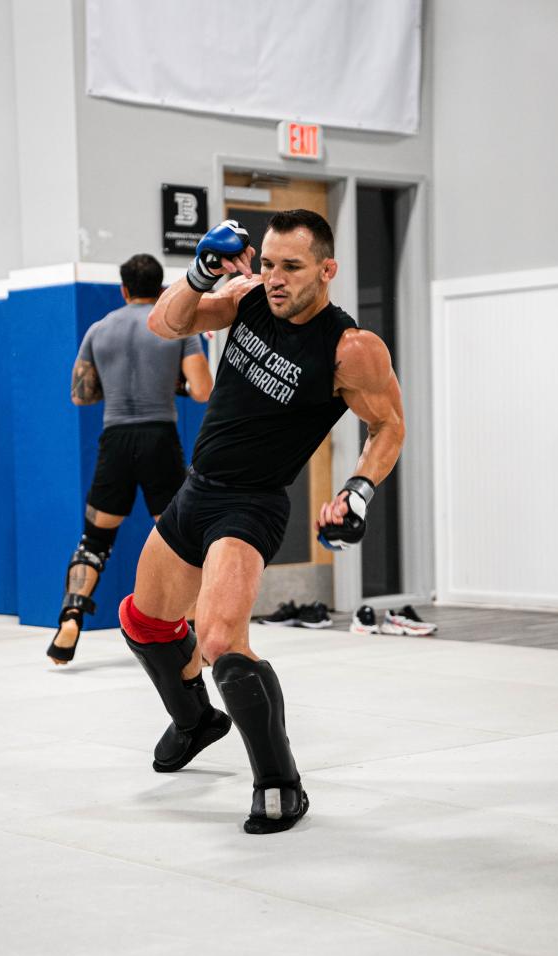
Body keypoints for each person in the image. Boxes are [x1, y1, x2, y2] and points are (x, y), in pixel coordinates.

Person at [118, 211, 405, 834]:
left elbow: (388, 425)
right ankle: (196, 721)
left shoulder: (350, 348)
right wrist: (198, 274)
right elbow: (164, 323)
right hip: (197, 490)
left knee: (219, 641)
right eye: (268, 264)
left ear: (327, 270)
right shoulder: (247, 299)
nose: (275, 279)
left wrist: (357, 491)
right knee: (143, 622)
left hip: (251, 505)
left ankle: (279, 782)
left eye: (292, 268)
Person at [47, 253, 213, 664]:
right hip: (159, 439)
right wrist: (171, 382)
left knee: (95, 538)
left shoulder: (99, 330)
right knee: (181, 541)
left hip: (116, 439)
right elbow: (202, 389)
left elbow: (80, 394)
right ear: (161, 290)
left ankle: (70, 618)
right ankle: (191, 633)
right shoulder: (175, 327)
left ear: (123, 289)